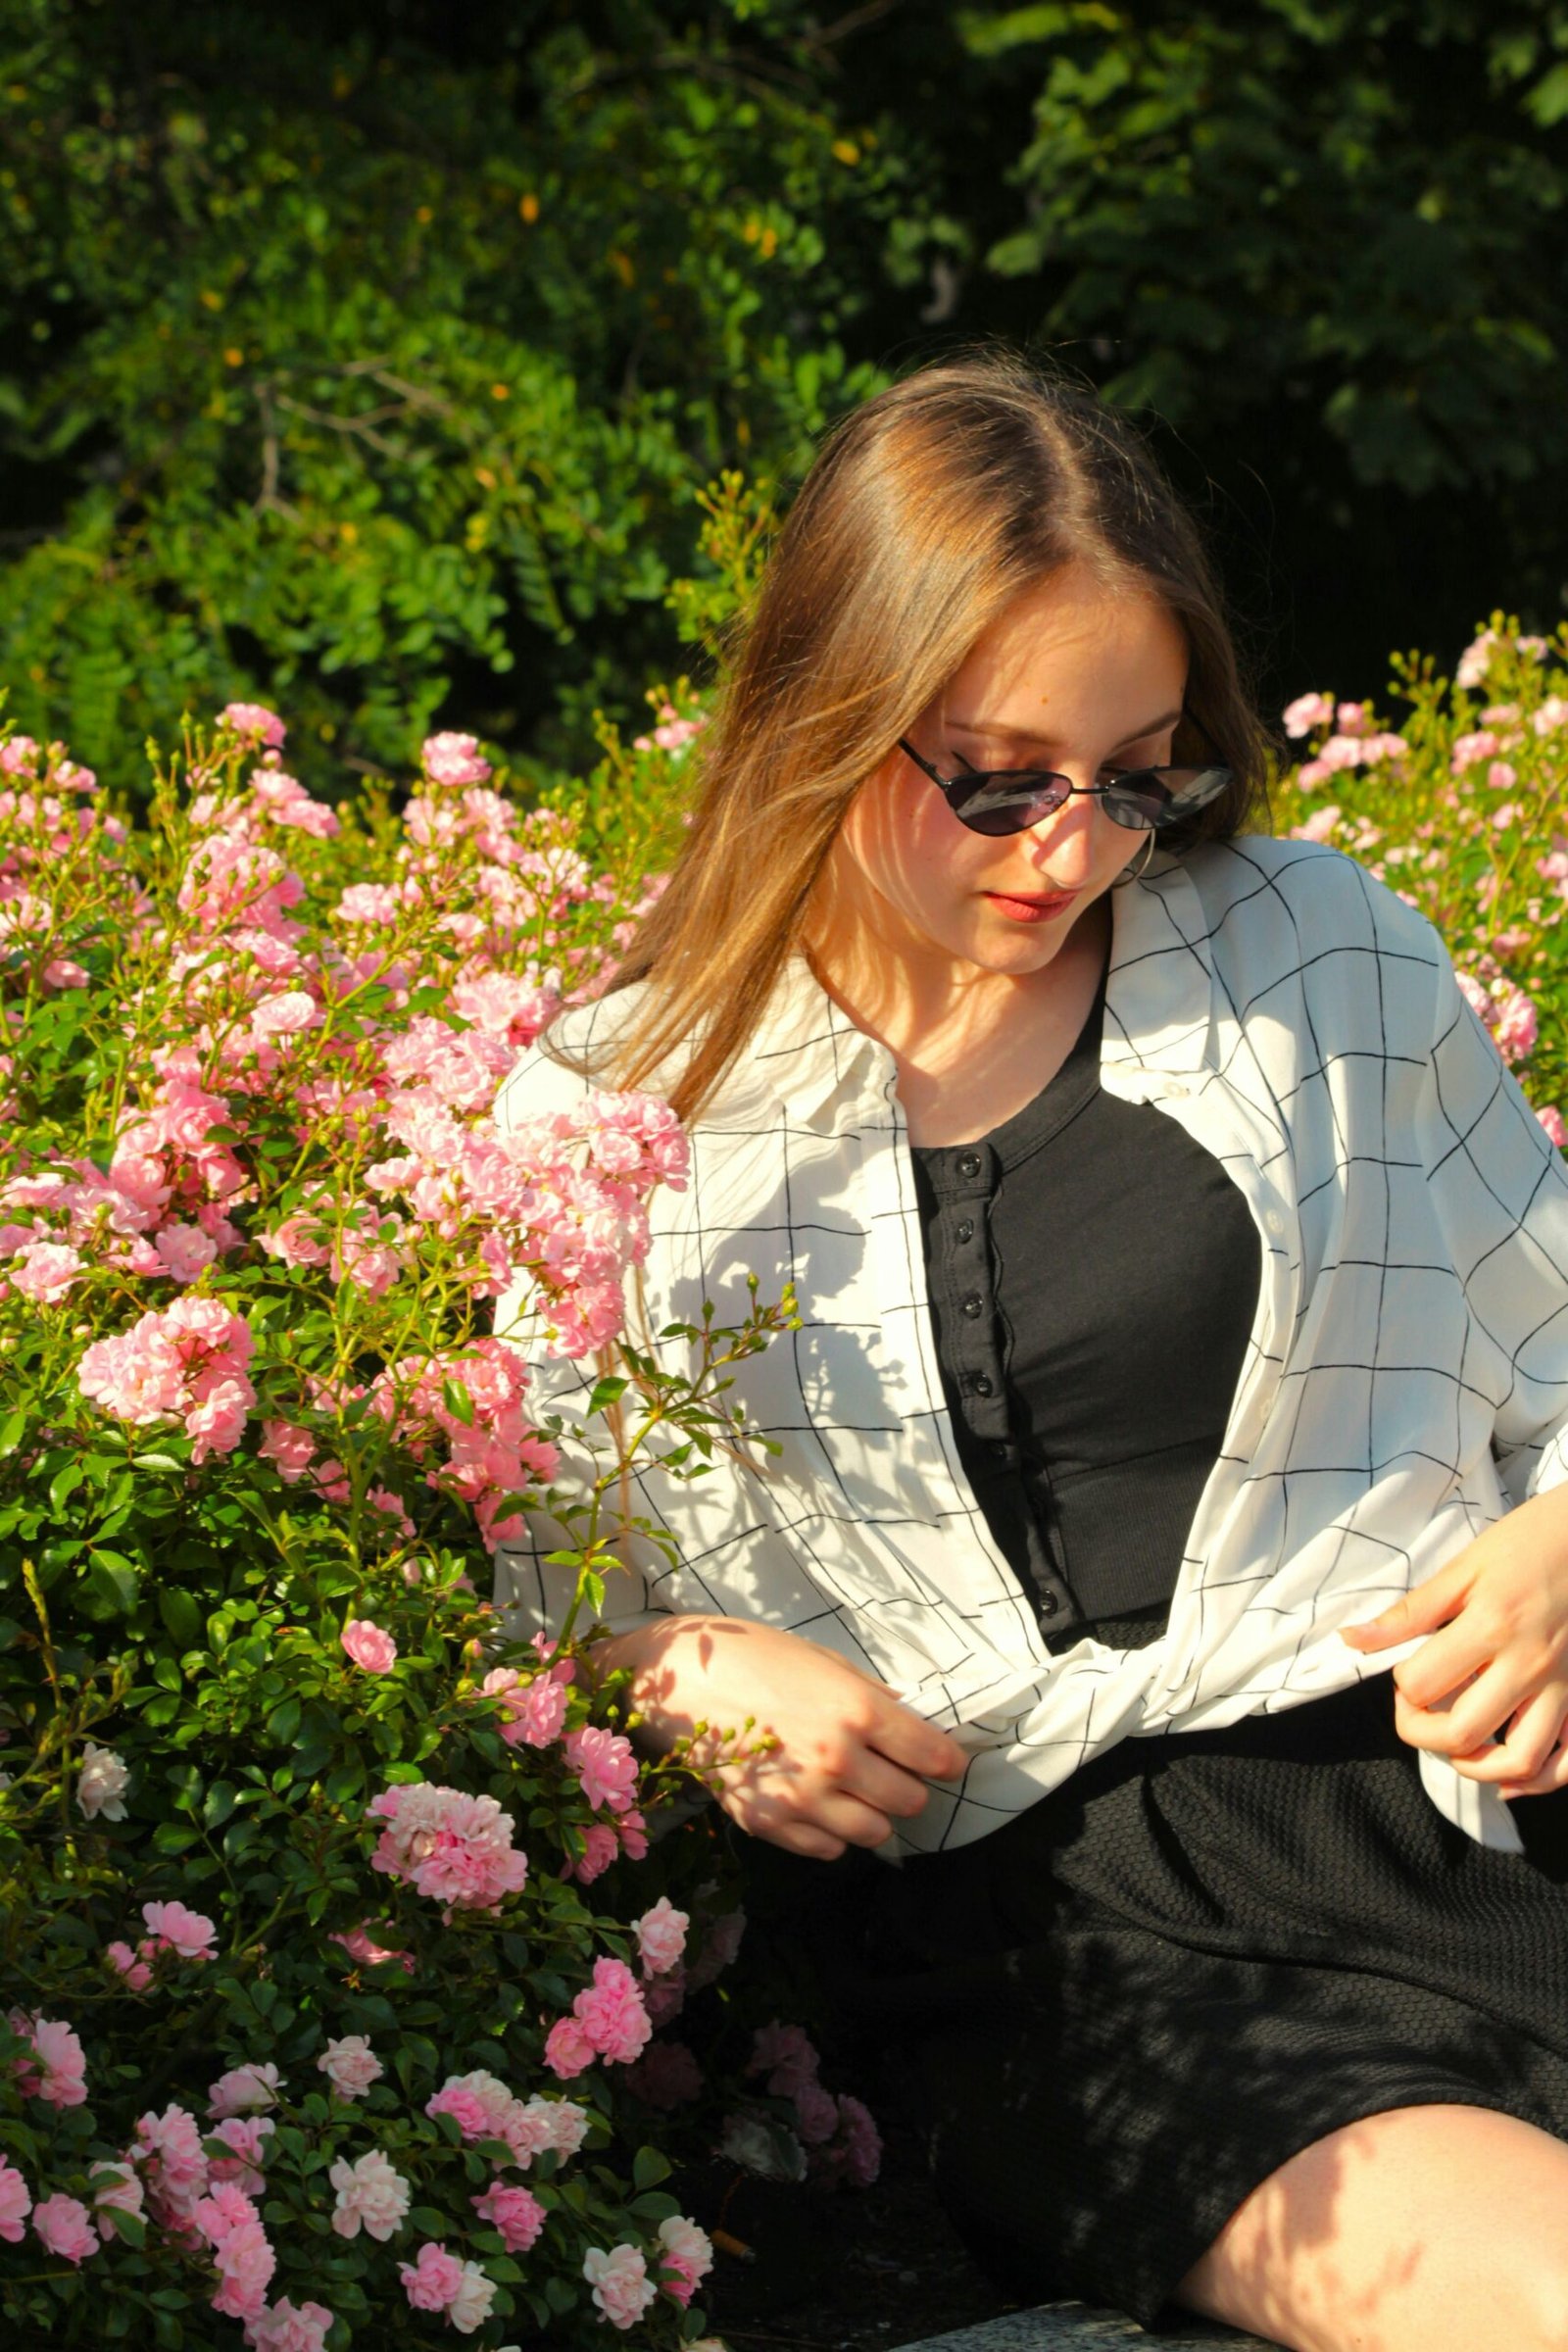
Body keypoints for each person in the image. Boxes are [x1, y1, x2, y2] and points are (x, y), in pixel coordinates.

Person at [493, 348, 1568, 2352]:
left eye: (1138, 769)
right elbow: (531, 1592)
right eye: (993, 778)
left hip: (1454, 1791)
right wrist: (671, 1664)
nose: (1069, 847)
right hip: (1053, 1946)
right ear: (825, 716)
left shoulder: (1311, 952)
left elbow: (1551, 1320)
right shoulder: (616, 1112)